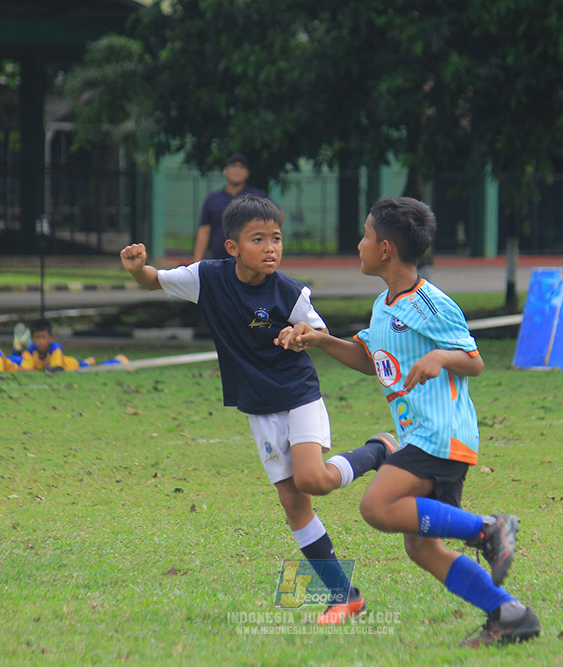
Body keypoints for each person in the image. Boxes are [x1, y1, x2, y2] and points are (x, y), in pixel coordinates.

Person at [121, 194, 396, 625]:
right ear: (232, 247)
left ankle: (378, 450)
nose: (271, 248)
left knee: (312, 480)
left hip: (298, 392)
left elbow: (317, 330)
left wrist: (299, 334)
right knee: (293, 501)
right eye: (258, 239)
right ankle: (344, 596)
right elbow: (154, 280)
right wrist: (138, 269)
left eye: (277, 238)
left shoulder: (289, 291)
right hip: (258, 405)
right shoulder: (206, 278)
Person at [277, 197, 541, 647]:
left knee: (376, 507)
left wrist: (440, 357)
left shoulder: (429, 302)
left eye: (365, 236)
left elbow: (473, 360)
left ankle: (487, 528)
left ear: (385, 249)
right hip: (421, 436)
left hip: (440, 434)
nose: (359, 244)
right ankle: (509, 613)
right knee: (421, 546)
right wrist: (320, 340)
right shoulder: (384, 304)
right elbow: (370, 359)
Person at [192, 153, 268, 262]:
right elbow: (204, 231)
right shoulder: (213, 199)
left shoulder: (257, 197)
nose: (237, 170)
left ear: (247, 173)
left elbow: (277, 216)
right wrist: (197, 261)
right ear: (226, 170)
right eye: (233, 166)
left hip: (249, 262)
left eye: (242, 167)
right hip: (219, 262)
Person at [19, 319, 127, 371]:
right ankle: (88, 361)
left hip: (72, 364)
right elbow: (24, 369)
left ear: (51, 337)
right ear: (32, 339)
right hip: (66, 362)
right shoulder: (31, 350)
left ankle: (119, 360)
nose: (41, 341)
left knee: (96, 368)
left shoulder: (55, 348)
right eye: (37, 338)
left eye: (44, 337)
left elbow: (57, 369)